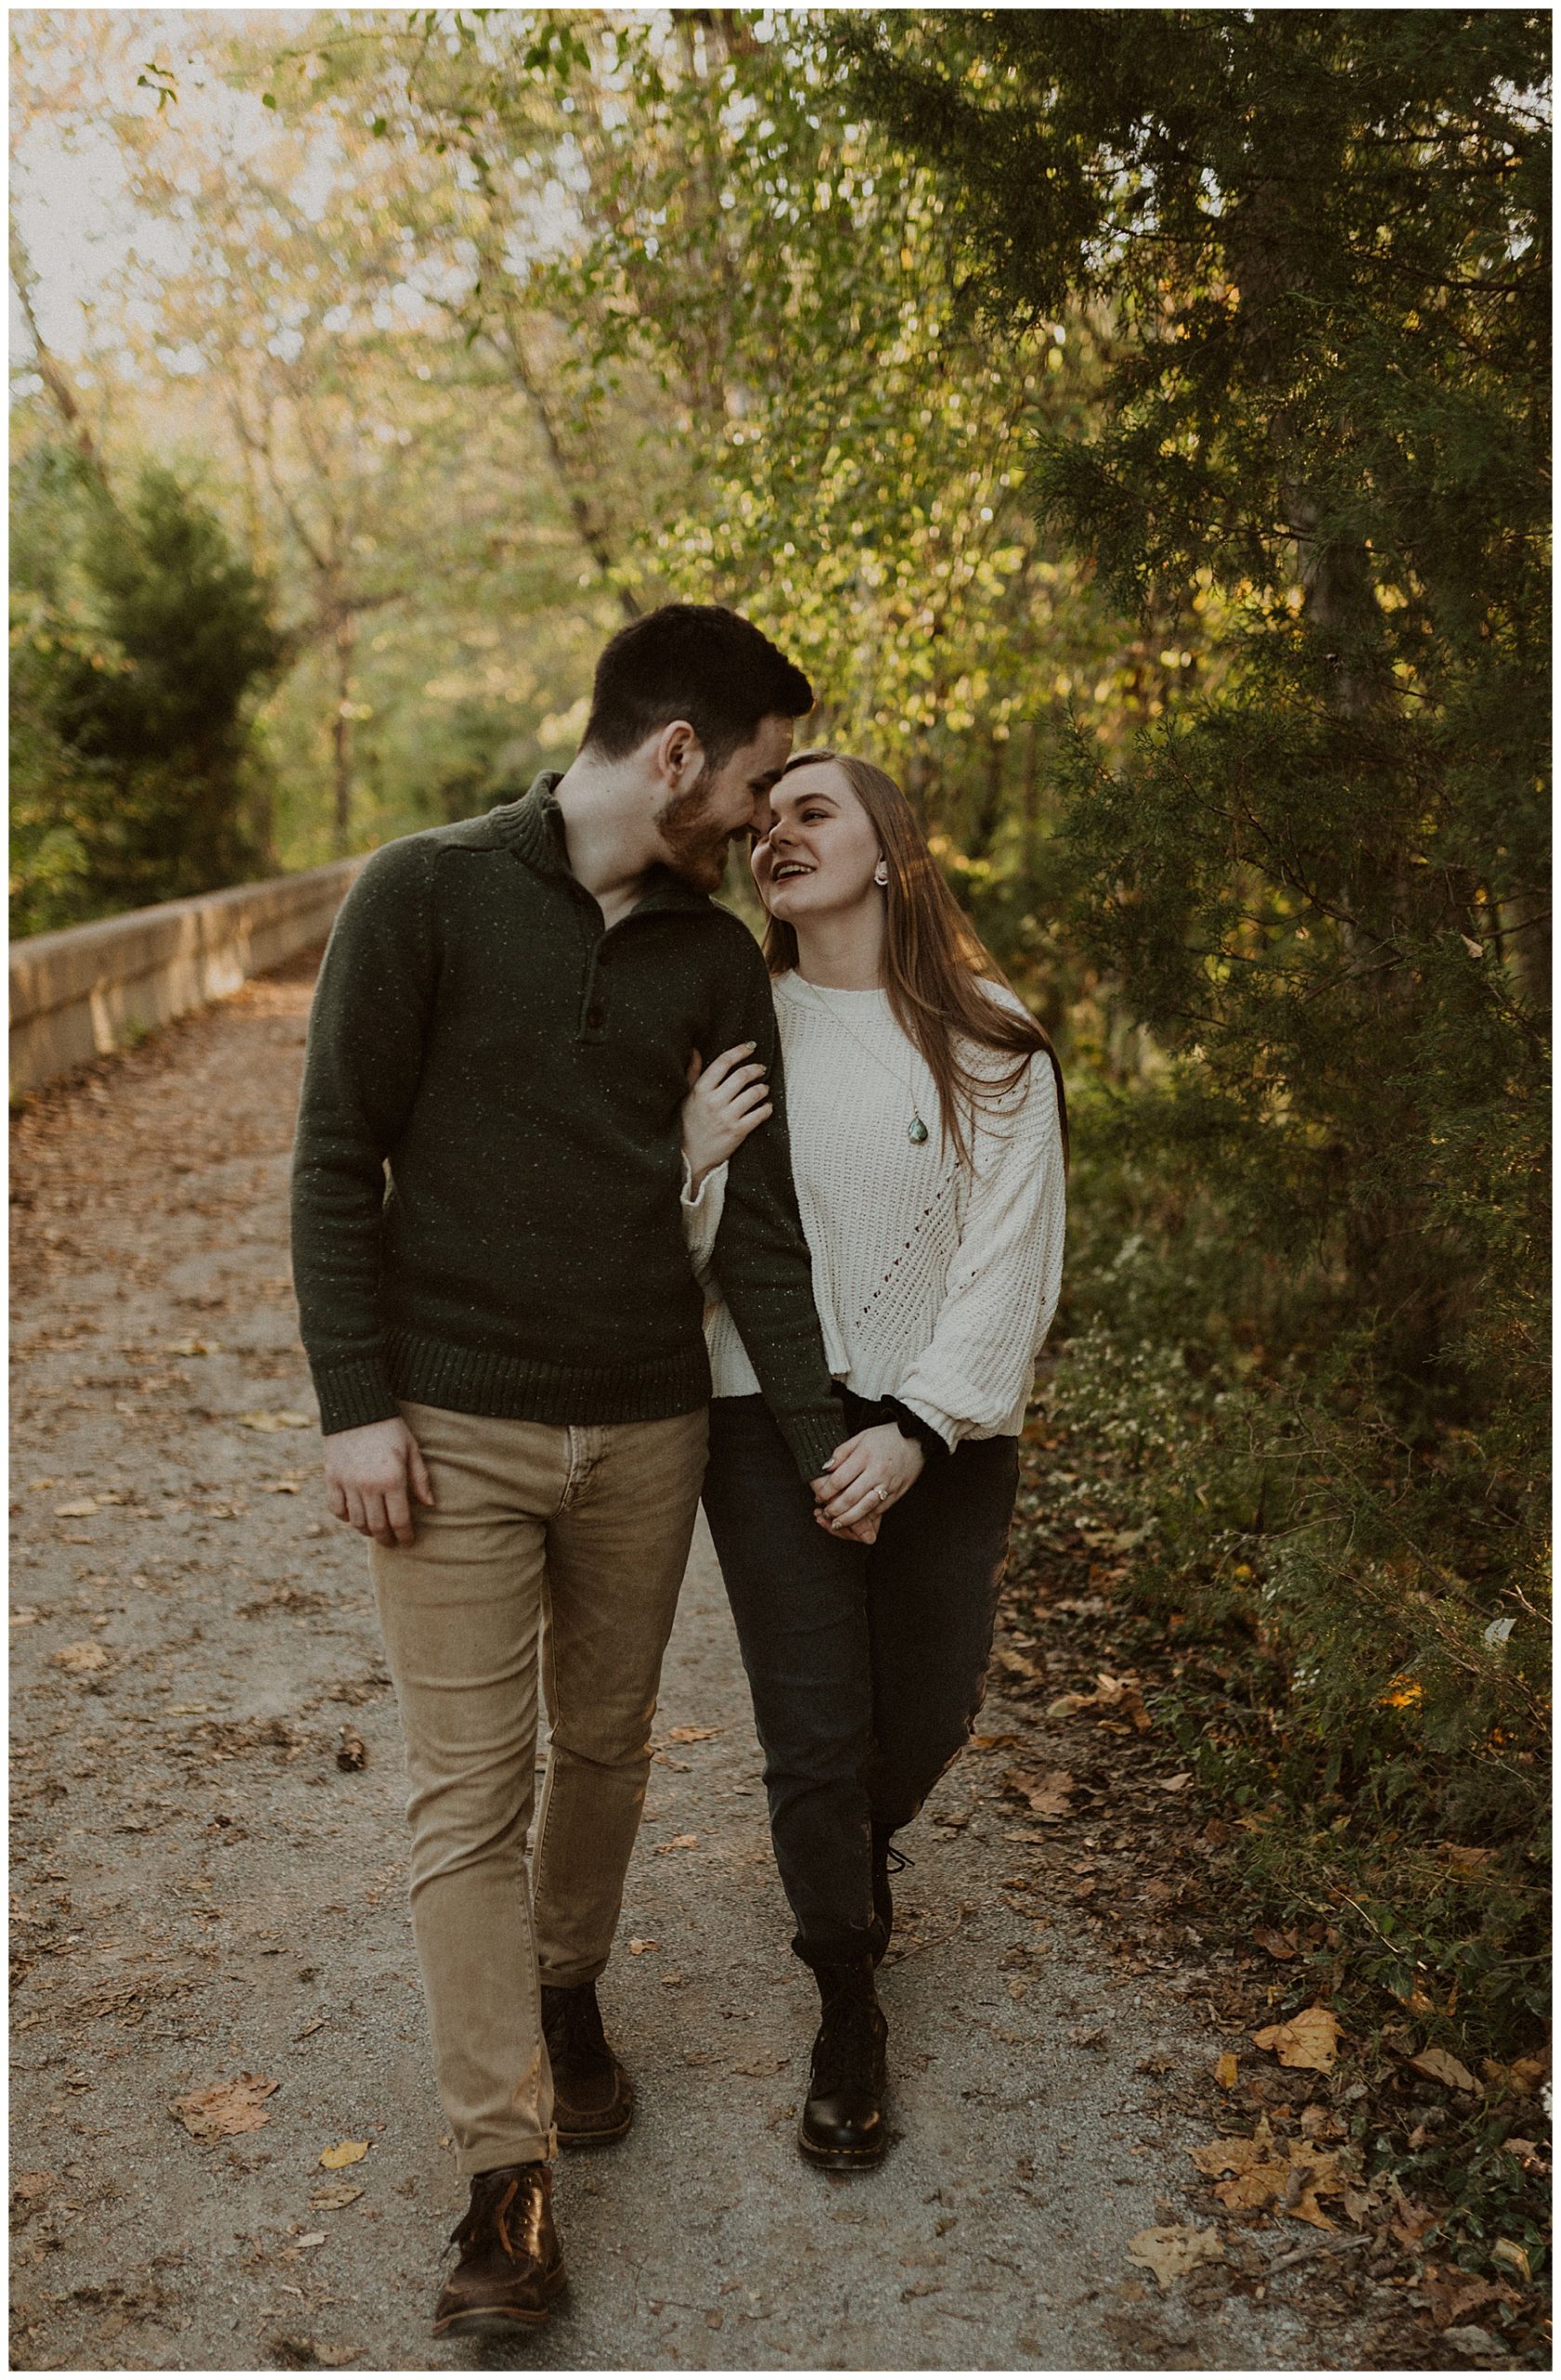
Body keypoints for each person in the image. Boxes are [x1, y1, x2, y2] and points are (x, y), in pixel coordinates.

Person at [289, 606, 848, 2335]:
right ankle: (503, 2192)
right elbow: (334, 1159)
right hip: (447, 1434)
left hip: (645, 1428)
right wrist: (355, 1402)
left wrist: (840, 1453)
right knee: (468, 1795)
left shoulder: (710, 958)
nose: (767, 818)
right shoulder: (425, 891)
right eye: (757, 776)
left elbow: (757, 1237)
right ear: (676, 753)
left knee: (603, 1747)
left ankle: (569, 1985)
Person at [680, 747, 1066, 2170]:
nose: (776, 836)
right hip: (759, 1419)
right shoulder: (738, 1026)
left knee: (935, 1702)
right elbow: (690, 1261)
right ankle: (848, 2002)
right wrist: (690, 1155)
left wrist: (914, 1430)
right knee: (814, 1726)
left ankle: (848, 1844)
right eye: (764, 822)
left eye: (812, 812)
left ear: (889, 847)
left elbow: (1010, 1260)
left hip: (944, 1427)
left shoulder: (994, 1039)